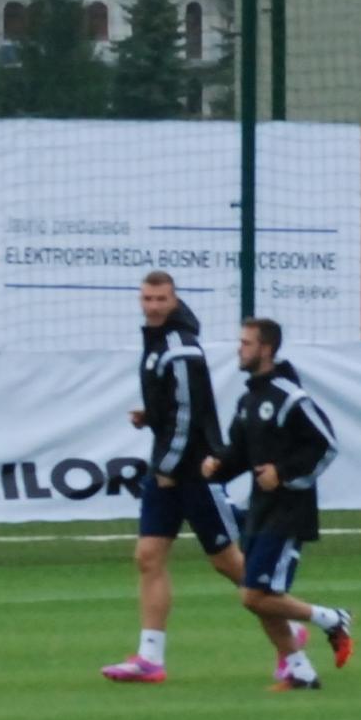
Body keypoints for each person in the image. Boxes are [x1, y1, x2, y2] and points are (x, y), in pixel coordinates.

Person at [101, 271, 248, 684]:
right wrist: (151, 415)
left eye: (160, 299)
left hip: (192, 471)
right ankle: (150, 658)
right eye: (147, 298)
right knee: (148, 557)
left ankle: (290, 622)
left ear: (174, 299)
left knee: (229, 564)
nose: (152, 306)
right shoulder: (158, 342)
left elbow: (189, 414)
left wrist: (167, 467)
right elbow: (175, 407)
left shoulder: (180, 348)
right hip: (168, 466)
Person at [203, 317, 357, 692]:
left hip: (288, 512)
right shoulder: (248, 399)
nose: (240, 349)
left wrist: (284, 475)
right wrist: (218, 466)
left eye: (246, 343)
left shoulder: (290, 397)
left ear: (266, 349)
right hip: (260, 510)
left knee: (254, 595)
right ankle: (299, 670)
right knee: (261, 598)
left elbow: (327, 445)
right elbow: (240, 453)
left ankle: (332, 619)